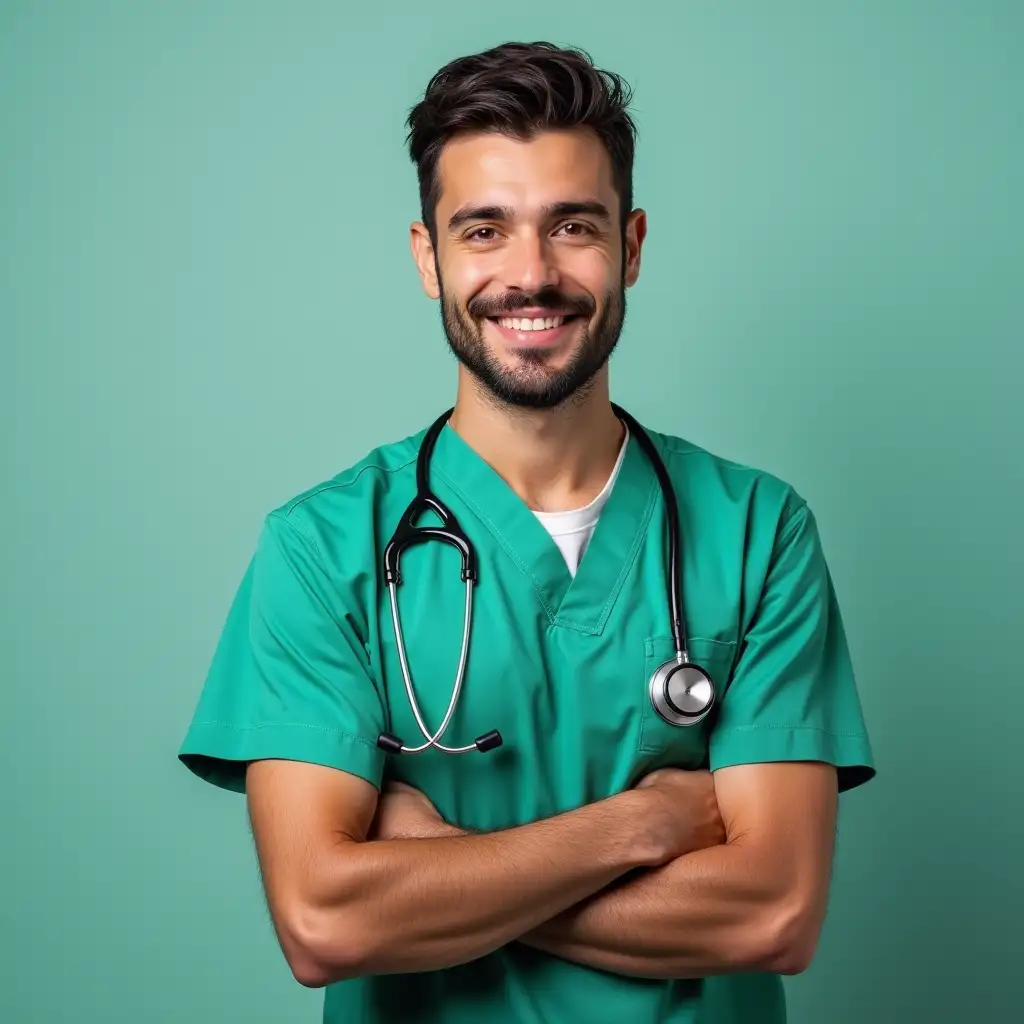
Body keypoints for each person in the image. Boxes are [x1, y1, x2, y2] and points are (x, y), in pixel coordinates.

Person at [179, 40, 875, 1024]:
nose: (531, 274)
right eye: (483, 231)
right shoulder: (322, 547)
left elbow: (772, 914)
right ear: (429, 258)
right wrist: (637, 825)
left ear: (630, 245)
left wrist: (429, 862)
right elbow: (328, 923)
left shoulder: (756, 530)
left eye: (573, 226)